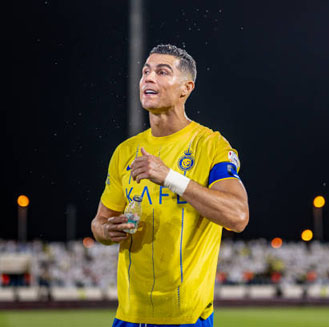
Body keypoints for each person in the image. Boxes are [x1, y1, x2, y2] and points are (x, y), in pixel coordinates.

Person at [91, 44, 249, 327]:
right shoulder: (125, 152)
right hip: (128, 317)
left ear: (185, 88)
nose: (148, 78)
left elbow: (238, 217)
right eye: (146, 72)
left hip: (185, 318)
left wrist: (170, 178)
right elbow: (99, 222)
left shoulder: (210, 145)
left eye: (162, 72)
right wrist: (106, 230)